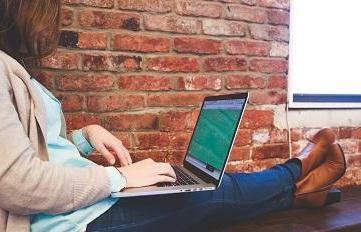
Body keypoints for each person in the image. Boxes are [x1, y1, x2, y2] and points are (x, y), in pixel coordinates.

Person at [0, 0, 347, 231]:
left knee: (207, 187)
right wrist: (119, 178)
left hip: (80, 205)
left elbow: (33, 149)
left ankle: (302, 190)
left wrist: (82, 136)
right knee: (210, 193)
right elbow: (18, 184)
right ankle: (296, 172)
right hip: (72, 221)